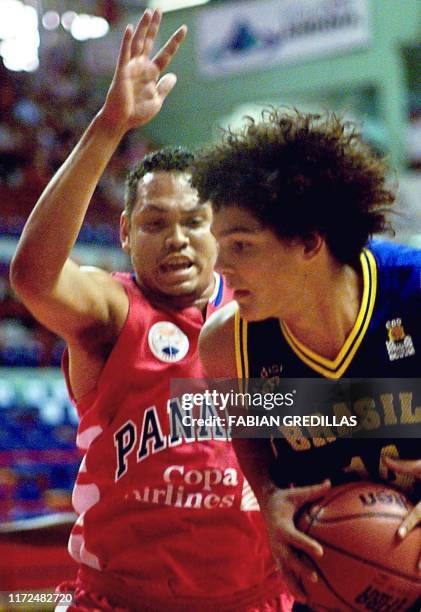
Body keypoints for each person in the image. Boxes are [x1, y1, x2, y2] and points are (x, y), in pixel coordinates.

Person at [10, 11, 293, 612]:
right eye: (154, 223)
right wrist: (110, 126)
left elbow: (350, 415)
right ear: (124, 233)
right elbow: (34, 277)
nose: (178, 239)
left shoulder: (267, 312)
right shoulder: (112, 312)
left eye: (194, 221)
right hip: (121, 601)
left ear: (219, 228)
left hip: (257, 600)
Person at [191, 108, 421, 606]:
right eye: (219, 246)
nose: (221, 266)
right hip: (330, 578)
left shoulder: (414, 292)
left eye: (241, 245)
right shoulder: (227, 343)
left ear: (309, 242)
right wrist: (270, 497)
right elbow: (247, 435)